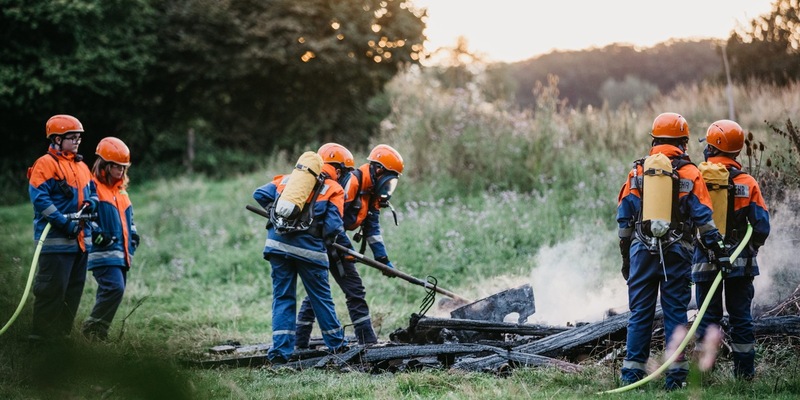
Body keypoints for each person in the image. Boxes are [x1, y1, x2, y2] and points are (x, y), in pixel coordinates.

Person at [616, 112, 727, 390]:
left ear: (654, 140)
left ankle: (632, 376)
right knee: (675, 313)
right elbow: (704, 218)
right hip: (677, 252)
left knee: (639, 312)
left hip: (641, 249)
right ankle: (675, 379)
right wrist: (718, 250)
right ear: (683, 142)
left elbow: (624, 218)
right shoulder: (691, 172)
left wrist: (625, 256)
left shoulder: (638, 172)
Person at [692, 120, 770, 380]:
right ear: (736, 151)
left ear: (713, 148)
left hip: (705, 260)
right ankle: (745, 375)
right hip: (741, 263)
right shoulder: (748, 183)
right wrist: (751, 248)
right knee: (741, 318)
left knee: (708, 319)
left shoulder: (699, 178)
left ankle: (704, 376)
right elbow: (761, 225)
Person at [253, 151, 348, 364]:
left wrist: (274, 213)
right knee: (320, 298)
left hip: (277, 246)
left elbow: (259, 194)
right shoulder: (334, 188)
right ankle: (337, 345)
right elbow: (334, 227)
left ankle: (279, 353)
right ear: (337, 171)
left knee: (283, 298)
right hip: (310, 252)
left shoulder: (286, 180)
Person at [295, 143, 379, 348]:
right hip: (329, 246)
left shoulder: (323, 185)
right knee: (353, 290)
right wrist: (347, 251)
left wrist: (383, 259)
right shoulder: (338, 188)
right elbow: (334, 224)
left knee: (317, 291)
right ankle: (367, 340)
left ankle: (300, 341)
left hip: (328, 245)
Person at [27, 114, 98, 341]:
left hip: (79, 243)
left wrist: (91, 202)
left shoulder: (81, 166)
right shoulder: (45, 164)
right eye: (71, 137)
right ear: (57, 139)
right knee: (51, 292)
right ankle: (40, 340)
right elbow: (40, 200)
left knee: (73, 293)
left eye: (78, 137)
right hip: (56, 244)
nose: (77, 141)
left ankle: (61, 338)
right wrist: (64, 223)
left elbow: (94, 193)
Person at [81, 137, 140, 341]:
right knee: (114, 288)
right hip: (103, 253)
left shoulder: (121, 191)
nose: (122, 172)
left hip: (121, 253)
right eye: (117, 167)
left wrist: (133, 238)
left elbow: (129, 219)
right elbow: (87, 218)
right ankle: (92, 328)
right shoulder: (93, 187)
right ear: (105, 165)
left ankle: (98, 333)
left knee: (113, 290)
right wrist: (98, 235)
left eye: (124, 168)